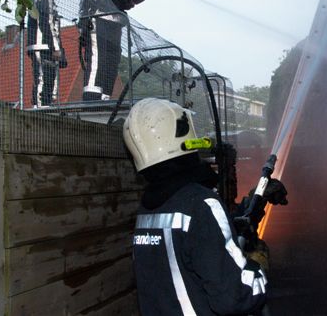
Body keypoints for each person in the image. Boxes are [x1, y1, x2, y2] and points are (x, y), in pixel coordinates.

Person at [123, 98, 287, 315]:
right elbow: (235, 297)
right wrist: (257, 268)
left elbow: (187, 251)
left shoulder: (148, 210)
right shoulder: (202, 205)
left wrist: (247, 209)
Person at [27, 0, 67, 107]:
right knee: (43, 78)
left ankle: (45, 106)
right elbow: (47, 23)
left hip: (43, 45)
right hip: (42, 46)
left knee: (47, 78)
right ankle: (39, 108)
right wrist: (56, 48)